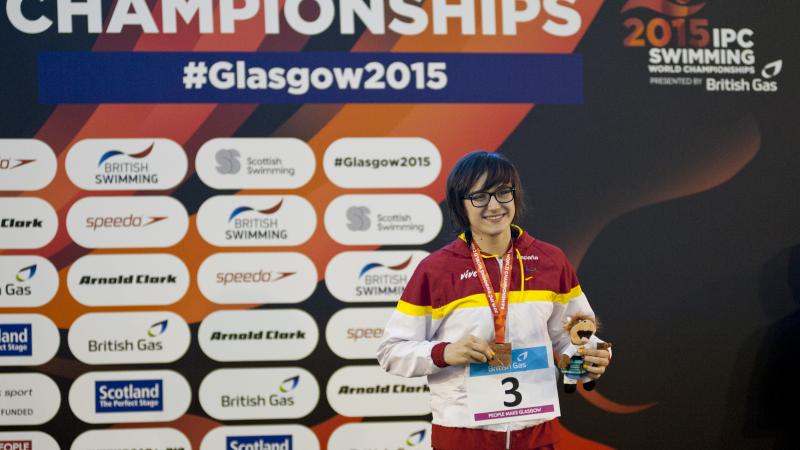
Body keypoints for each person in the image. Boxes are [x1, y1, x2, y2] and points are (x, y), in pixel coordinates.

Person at [376, 151, 611, 450]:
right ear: (461, 204)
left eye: (503, 192)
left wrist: (587, 358)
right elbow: (391, 351)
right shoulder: (435, 270)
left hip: (537, 434)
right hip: (464, 437)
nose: (494, 206)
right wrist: (445, 352)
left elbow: (573, 339)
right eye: (480, 196)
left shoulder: (550, 260)